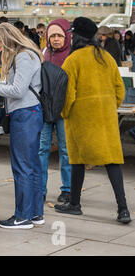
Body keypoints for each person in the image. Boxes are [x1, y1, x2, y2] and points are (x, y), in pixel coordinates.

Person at [54, 17, 131, 224]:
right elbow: (119, 89)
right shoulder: (106, 57)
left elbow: (67, 94)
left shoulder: (73, 59)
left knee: (77, 160)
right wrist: (109, 107)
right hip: (105, 118)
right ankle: (123, 209)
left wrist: (65, 113)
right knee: (112, 161)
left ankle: (75, 204)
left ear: (77, 36)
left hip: (81, 119)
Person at [0, 23, 44, 230]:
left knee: (22, 166)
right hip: (31, 113)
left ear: (6, 40)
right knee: (32, 166)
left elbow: (17, 90)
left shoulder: (23, 56)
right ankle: (35, 213)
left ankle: (22, 216)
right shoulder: (29, 54)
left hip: (25, 114)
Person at [38, 19, 72, 203]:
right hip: (45, 109)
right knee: (42, 149)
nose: (56, 39)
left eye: (60, 35)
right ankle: (40, 189)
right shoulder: (43, 53)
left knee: (66, 151)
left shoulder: (73, 55)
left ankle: (67, 189)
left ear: (67, 36)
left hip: (64, 110)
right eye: (53, 36)